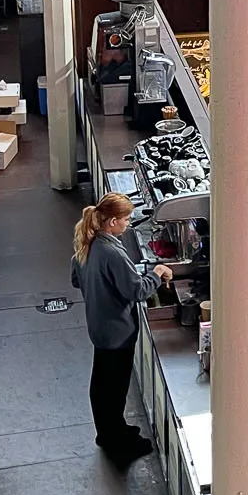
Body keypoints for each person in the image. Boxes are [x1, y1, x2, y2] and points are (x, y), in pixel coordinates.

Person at [71, 194, 172, 465]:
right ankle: (116, 442)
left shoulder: (88, 243)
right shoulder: (113, 253)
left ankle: (109, 431)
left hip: (99, 326)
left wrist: (101, 288)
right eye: (126, 219)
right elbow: (136, 291)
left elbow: (76, 278)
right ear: (113, 221)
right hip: (117, 332)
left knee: (102, 385)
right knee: (114, 390)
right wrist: (157, 273)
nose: (128, 224)